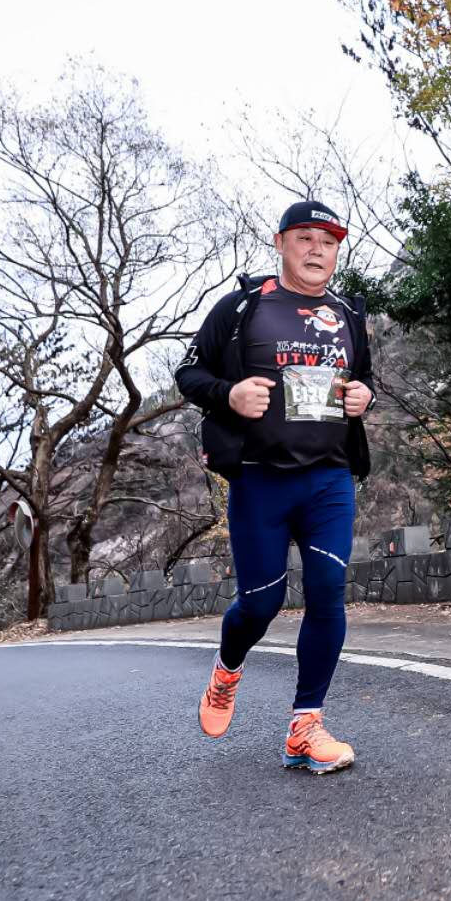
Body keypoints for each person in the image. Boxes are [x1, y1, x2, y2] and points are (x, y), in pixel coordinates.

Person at [176, 199, 375, 774]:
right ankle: (227, 670)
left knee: (327, 591)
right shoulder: (242, 307)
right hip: (260, 479)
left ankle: (305, 726)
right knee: (260, 604)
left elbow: (363, 379)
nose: (318, 250)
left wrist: (365, 396)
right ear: (280, 242)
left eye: (328, 242)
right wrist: (230, 395)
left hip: (329, 478)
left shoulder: (348, 314)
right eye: (305, 238)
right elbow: (189, 372)